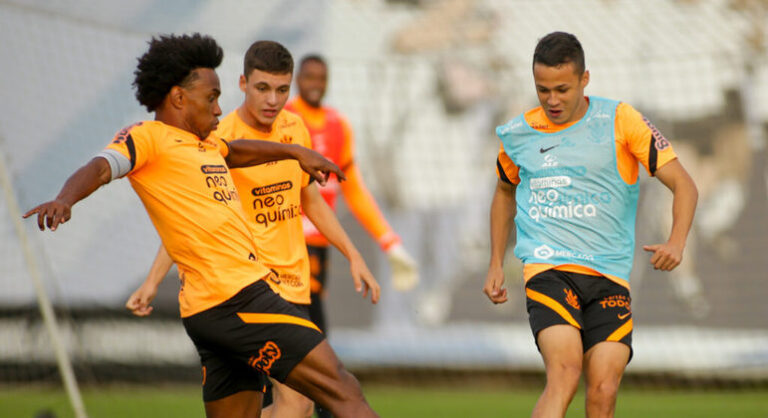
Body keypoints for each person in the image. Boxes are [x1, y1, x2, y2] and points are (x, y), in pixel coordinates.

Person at [23, 33, 379, 418]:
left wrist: (295, 151)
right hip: (239, 299)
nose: (218, 108)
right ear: (178, 98)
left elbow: (239, 152)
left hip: (211, 310)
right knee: (344, 391)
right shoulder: (149, 138)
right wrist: (64, 199)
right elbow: (102, 165)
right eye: (211, 98)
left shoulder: (206, 143)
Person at [483, 32, 698, 417]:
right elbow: (503, 192)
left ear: (585, 80)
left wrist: (677, 241)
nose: (551, 100)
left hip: (610, 277)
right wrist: (496, 262)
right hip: (549, 270)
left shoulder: (621, 119)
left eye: (562, 89)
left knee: (603, 390)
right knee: (564, 374)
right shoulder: (518, 134)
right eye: (542, 89)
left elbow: (684, 184)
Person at [285, 54, 419, 335]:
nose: (315, 84)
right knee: (296, 325)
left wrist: (390, 243)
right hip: (284, 238)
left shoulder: (338, 125)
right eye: (309, 77)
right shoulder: (284, 120)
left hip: (321, 239)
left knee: (312, 327)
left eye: (321, 78)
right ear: (297, 80)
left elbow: (354, 189)